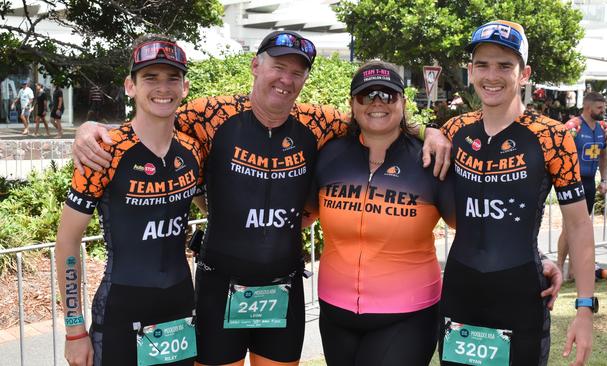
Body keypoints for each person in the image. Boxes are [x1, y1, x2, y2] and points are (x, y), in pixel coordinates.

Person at [70, 30, 453, 366]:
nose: (286, 79)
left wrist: (430, 132)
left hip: (282, 290)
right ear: (255, 66)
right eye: (277, 67)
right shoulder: (211, 115)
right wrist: (93, 129)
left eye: (297, 71)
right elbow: (151, 120)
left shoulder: (317, 122)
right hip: (219, 285)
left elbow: (376, 119)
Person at [438, 20, 595, 366]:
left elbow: (580, 225)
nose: (491, 75)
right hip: (460, 291)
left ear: (524, 74)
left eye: (505, 65)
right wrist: (429, 132)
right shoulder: (453, 130)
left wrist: (585, 308)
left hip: (521, 293)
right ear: (470, 71)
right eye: (482, 64)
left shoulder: (552, 137)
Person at [55, 34, 203, 366]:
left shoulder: (192, 151)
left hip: (180, 305)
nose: (162, 88)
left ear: (185, 87)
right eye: (150, 77)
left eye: (172, 78)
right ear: (130, 86)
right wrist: (75, 331)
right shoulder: (105, 149)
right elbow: (67, 241)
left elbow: (213, 208)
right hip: (123, 308)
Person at [303, 60, 456, 366]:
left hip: (408, 314)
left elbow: (471, 227)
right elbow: (303, 216)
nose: (376, 102)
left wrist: (533, 260)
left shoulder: (429, 158)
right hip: (335, 311)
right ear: (352, 105)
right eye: (366, 95)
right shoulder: (329, 155)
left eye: (387, 95)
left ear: (403, 103)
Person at [557, 92, 607, 278]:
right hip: (571, 181)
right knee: (569, 227)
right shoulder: (573, 127)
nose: (603, 111)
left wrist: (604, 180)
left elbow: (603, 155)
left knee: (579, 227)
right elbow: (560, 153)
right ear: (588, 107)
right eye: (600, 108)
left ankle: (572, 270)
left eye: (604, 107)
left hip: (589, 182)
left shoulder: (603, 127)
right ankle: (560, 268)